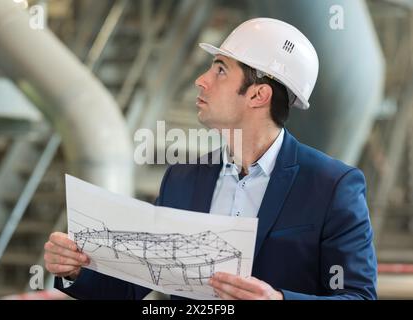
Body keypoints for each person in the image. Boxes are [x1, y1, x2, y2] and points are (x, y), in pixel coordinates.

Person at [44, 18, 377, 300]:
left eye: (220, 70)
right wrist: (78, 269)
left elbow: (359, 295)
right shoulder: (183, 179)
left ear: (258, 95)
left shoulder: (331, 186)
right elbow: (134, 283)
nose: (200, 80)